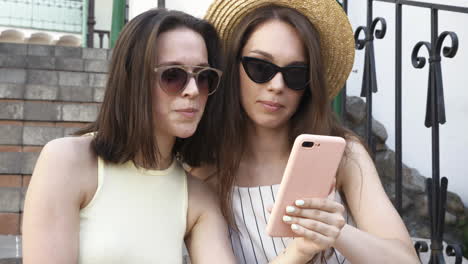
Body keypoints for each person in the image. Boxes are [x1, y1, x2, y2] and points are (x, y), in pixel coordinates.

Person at [190, 0, 421, 263]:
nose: (277, 85)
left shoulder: (343, 154)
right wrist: (299, 251)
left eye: (296, 73)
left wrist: (337, 232)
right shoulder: (205, 176)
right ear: (233, 68)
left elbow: (407, 260)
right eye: (260, 68)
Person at [22, 8, 235, 264]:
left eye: (204, 77)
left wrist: (297, 251)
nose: (192, 90)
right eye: (173, 75)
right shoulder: (68, 161)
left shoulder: (198, 197)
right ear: (134, 79)